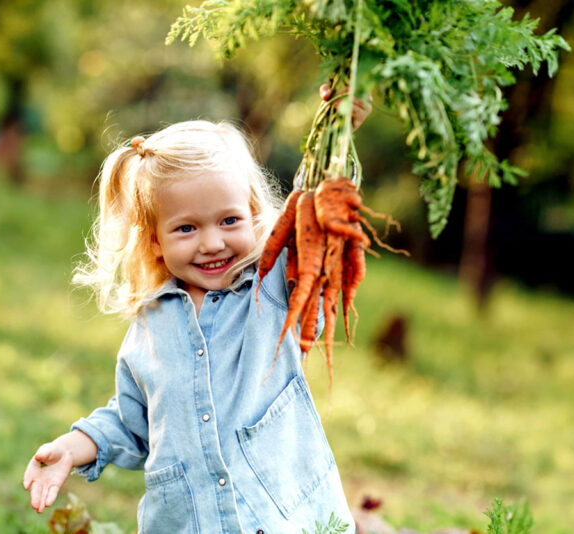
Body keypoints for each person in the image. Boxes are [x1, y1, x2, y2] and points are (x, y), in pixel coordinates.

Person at [22, 88, 371, 534]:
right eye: (186, 228)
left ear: (253, 215)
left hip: (283, 517)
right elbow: (133, 422)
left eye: (229, 221)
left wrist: (337, 130)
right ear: (155, 241)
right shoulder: (150, 326)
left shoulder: (271, 289)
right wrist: (73, 446)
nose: (211, 243)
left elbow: (315, 215)